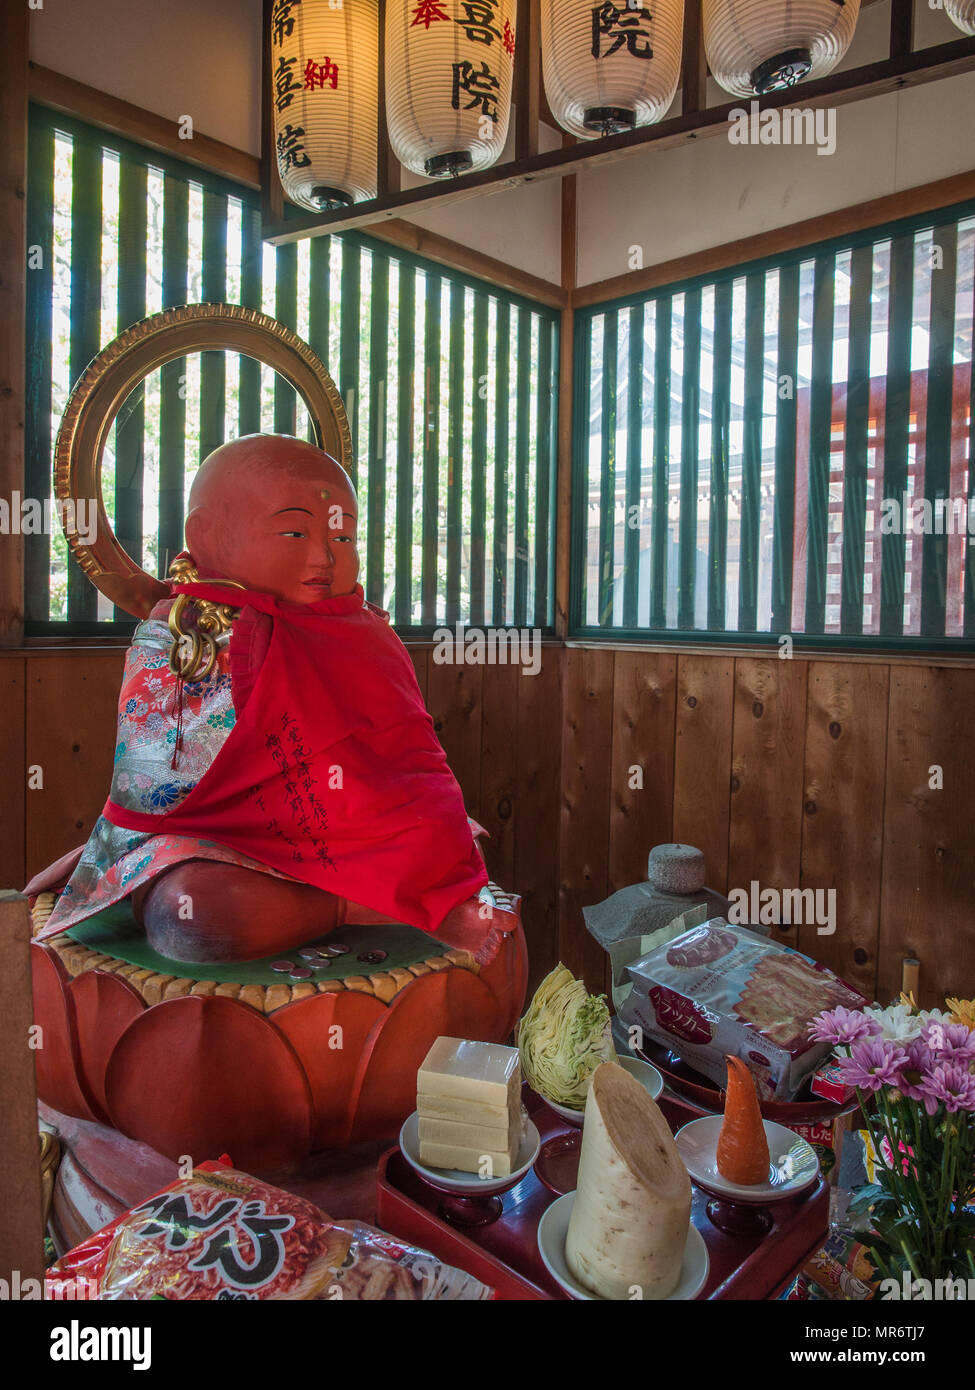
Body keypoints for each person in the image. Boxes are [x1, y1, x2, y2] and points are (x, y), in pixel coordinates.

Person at [30, 434, 516, 966]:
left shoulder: (360, 630)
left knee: (455, 838)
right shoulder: (187, 632)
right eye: (293, 530)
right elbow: (154, 789)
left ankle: (381, 891)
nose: (323, 556)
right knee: (194, 915)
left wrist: (407, 828)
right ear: (207, 534)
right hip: (214, 842)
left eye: (344, 537)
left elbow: (405, 766)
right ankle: (357, 903)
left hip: (344, 832)